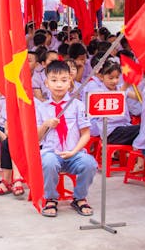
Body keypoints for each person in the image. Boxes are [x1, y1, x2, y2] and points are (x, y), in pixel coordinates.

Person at [36, 60, 97, 217]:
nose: (59, 85)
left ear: (70, 81)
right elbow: (35, 139)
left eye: (64, 80)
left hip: (74, 154)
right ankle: (51, 198)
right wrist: (45, 125)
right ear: (46, 83)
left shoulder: (78, 105)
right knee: (48, 162)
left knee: (89, 163)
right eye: (54, 80)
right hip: (51, 153)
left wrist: (73, 151)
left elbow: (85, 134)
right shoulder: (41, 108)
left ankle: (79, 197)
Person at [96, 60, 140, 145]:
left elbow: (138, 97)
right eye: (111, 78)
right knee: (142, 130)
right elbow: (115, 100)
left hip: (125, 126)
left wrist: (135, 84)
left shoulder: (120, 88)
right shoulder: (99, 91)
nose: (115, 81)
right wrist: (124, 88)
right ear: (101, 77)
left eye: (117, 77)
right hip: (110, 132)